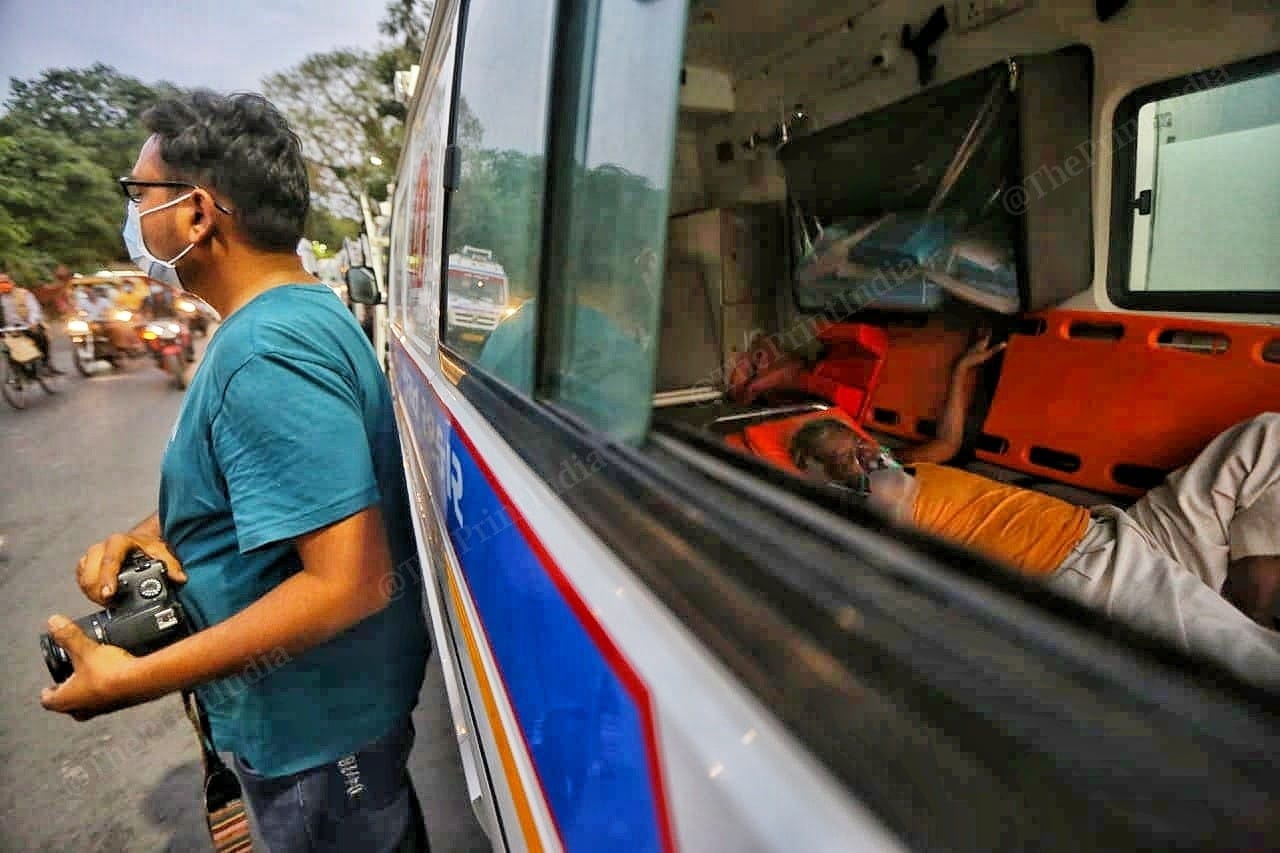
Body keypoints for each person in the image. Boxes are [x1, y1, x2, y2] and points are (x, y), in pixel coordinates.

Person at [39, 91, 430, 852]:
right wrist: (146, 533)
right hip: (330, 723)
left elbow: (346, 581)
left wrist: (130, 679)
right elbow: (265, 483)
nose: (130, 216)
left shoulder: (265, 352)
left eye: (137, 194)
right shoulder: (298, 314)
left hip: (320, 743)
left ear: (195, 214)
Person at [790, 410, 1280, 687]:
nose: (863, 451)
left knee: (1268, 435)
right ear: (820, 477)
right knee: (1255, 665)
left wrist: (963, 369)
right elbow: (887, 536)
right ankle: (1239, 608)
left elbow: (949, 438)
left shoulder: (912, 465)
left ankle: (1244, 588)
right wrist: (868, 481)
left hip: (1122, 533)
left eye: (859, 441)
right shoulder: (865, 499)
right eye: (843, 456)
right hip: (1087, 570)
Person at [0, 272, 62, 374]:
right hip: (8, 329)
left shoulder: (24, 294)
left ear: (12, 282)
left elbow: (34, 309)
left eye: (5, 282)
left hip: (26, 326)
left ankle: (45, 363)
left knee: (41, 337)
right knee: (9, 351)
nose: (3, 285)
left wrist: (32, 322)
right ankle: (18, 374)